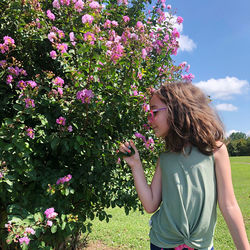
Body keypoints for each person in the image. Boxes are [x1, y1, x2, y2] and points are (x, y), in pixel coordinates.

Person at [119, 81, 250, 250]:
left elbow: (229, 205)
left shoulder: (216, 151)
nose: (149, 119)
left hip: (201, 245)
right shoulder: (165, 158)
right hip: (162, 244)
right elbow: (150, 204)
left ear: (177, 109)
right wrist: (136, 165)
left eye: (154, 111)